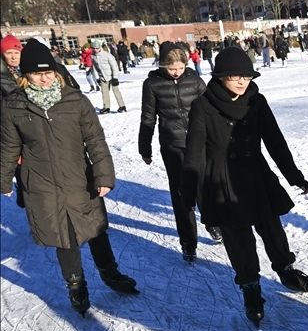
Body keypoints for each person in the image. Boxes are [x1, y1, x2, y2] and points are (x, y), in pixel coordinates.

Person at [180, 47, 308, 327]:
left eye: (246, 75)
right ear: (219, 77)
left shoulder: (257, 101)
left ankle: (286, 269)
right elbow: (193, 153)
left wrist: (294, 175)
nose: (242, 81)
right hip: (223, 179)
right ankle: (251, 288)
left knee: (272, 228)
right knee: (239, 241)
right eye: (234, 76)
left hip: (256, 174)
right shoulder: (203, 106)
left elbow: (275, 141)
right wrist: (189, 191)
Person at [0, 39, 138, 314]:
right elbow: (9, 145)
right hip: (41, 182)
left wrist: (103, 174)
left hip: (79, 177)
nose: (44, 78)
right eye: (37, 74)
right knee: (64, 237)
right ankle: (76, 288)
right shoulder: (14, 104)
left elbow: (95, 140)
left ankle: (110, 273)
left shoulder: (75, 100)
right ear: (26, 75)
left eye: (49, 72)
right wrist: (4, 179)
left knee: (96, 228)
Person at [140, 42, 221, 263]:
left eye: (180, 67)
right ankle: (188, 241)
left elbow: (211, 109)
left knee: (206, 187)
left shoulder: (195, 81)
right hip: (172, 145)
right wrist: (144, 147)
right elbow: (148, 118)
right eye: (172, 68)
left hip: (199, 143)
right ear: (163, 65)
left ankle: (213, 223)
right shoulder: (152, 84)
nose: (177, 72)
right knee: (180, 194)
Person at [91, 41, 127, 114]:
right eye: (94, 48)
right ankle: (106, 107)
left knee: (115, 90)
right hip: (102, 77)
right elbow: (95, 68)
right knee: (104, 92)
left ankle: (122, 106)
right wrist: (97, 78)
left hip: (111, 76)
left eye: (97, 48)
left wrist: (115, 77)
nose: (95, 50)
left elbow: (114, 66)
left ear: (100, 47)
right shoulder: (93, 56)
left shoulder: (107, 55)